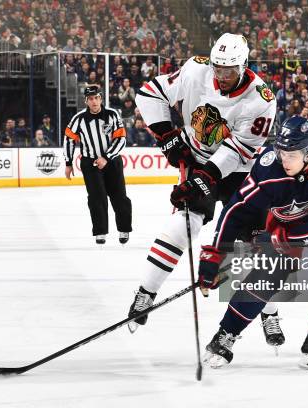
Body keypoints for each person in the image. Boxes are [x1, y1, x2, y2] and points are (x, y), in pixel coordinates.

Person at [127, 33, 278, 333]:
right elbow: (149, 94)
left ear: (243, 65)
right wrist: (167, 137)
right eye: (217, 68)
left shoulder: (262, 101)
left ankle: (268, 310)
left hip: (240, 169)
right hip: (195, 158)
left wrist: (204, 176)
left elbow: (238, 150)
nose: (221, 76)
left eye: (229, 70)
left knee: (254, 242)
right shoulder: (196, 70)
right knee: (185, 223)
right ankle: (145, 292)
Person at [197, 116, 308, 372]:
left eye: (291, 155)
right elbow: (237, 208)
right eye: (281, 152)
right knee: (272, 269)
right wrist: (215, 252)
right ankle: (225, 335)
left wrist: (282, 239)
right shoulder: (269, 165)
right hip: (285, 216)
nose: (284, 160)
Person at [63, 85, 132, 245]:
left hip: (112, 161)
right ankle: (100, 231)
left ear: (101, 98)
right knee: (96, 198)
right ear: (86, 101)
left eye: (96, 98)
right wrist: (68, 162)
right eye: (90, 99)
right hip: (90, 164)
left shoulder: (113, 115)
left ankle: (124, 229)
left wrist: (106, 157)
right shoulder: (78, 119)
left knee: (119, 196)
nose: (94, 101)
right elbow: (68, 139)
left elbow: (121, 139)